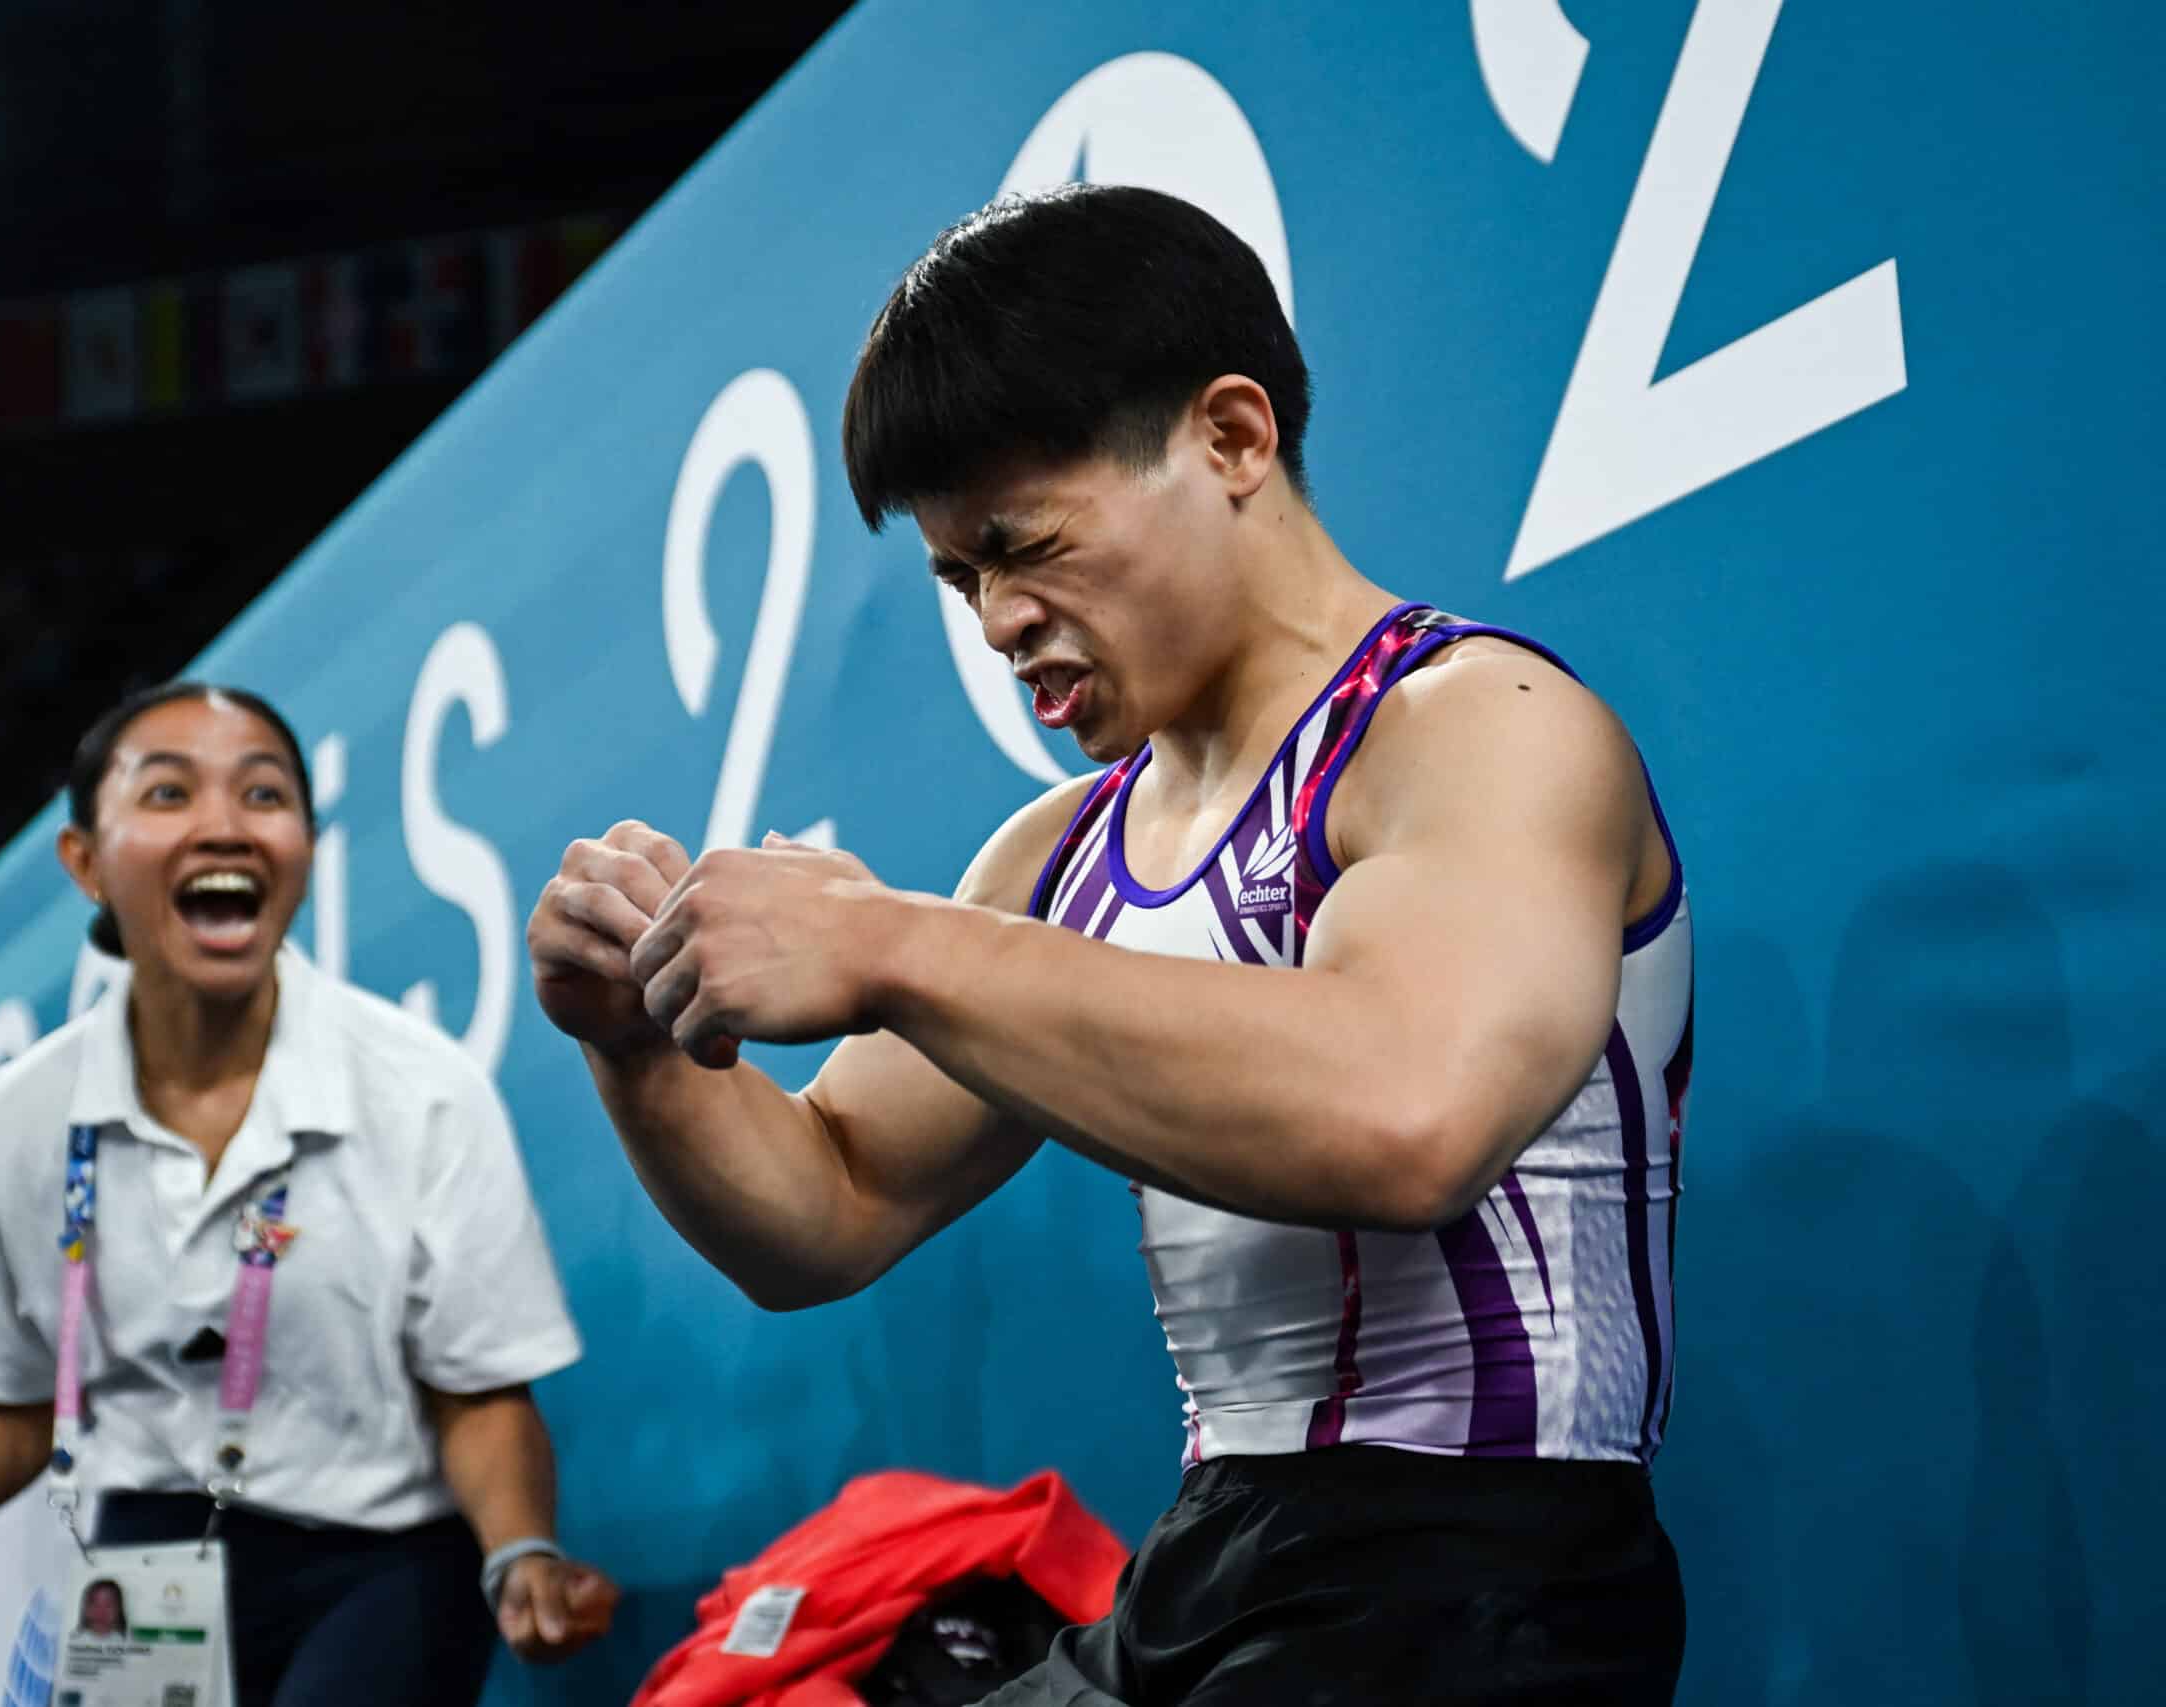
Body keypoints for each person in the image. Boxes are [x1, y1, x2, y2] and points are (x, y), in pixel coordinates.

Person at [527, 184, 1691, 1704]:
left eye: (1026, 547)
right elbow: (822, 1208)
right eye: (962, 579)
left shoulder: (1482, 727)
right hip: (1216, 1556)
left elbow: (1408, 1119)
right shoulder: (1057, 854)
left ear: (1231, 439)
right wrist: (635, 1044)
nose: (1001, 621)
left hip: (1487, 1582)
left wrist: (891, 943)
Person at [0, 683, 619, 1707]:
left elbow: (478, 1392)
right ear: (86, 862)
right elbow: (5, 1416)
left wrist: (518, 1553)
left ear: (304, 843)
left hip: (384, 1563)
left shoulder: (420, 1088)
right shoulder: (24, 1121)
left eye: (264, 795)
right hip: (144, 1567)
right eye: (167, 794)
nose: (223, 825)